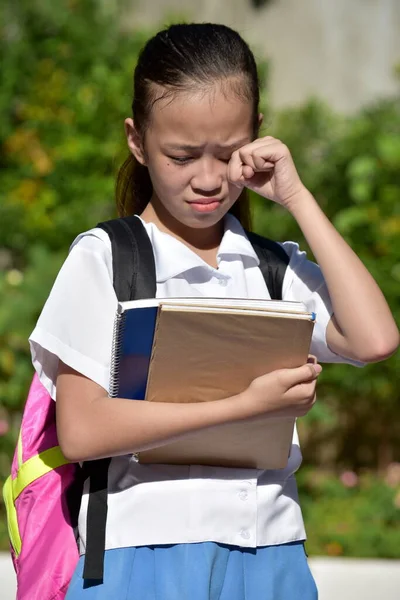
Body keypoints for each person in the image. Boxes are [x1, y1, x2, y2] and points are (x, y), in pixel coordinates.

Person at [29, 23, 399, 600]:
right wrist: (241, 407)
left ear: (256, 137)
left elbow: (374, 339)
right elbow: (82, 431)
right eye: (181, 155)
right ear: (137, 141)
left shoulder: (273, 267)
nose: (207, 179)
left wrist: (297, 197)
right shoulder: (106, 259)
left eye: (227, 154)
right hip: (140, 556)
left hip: (271, 552)